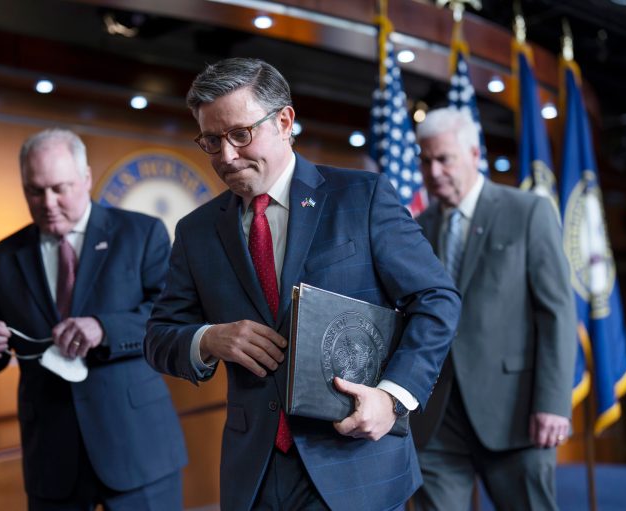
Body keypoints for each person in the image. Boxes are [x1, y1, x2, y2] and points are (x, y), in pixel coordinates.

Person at [144, 57, 461, 511]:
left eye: (239, 134)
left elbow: (436, 300)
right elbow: (159, 337)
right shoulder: (196, 231)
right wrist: (209, 338)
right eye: (211, 141)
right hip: (255, 474)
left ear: (285, 121)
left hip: (356, 461)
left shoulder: (361, 197)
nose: (226, 157)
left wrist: (392, 399)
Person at [0, 129, 187, 510]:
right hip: (51, 457)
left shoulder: (141, 233)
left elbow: (171, 318)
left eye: (60, 188)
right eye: (34, 190)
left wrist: (104, 328)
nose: (47, 202)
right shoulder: (0, 259)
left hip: (138, 449)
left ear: (86, 179)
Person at [410, 108, 577, 511]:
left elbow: (556, 313)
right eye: (425, 159)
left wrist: (553, 403)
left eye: (444, 158)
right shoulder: (417, 227)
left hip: (516, 412)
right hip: (436, 419)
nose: (433, 171)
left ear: (473, 153)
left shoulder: (528, 212)